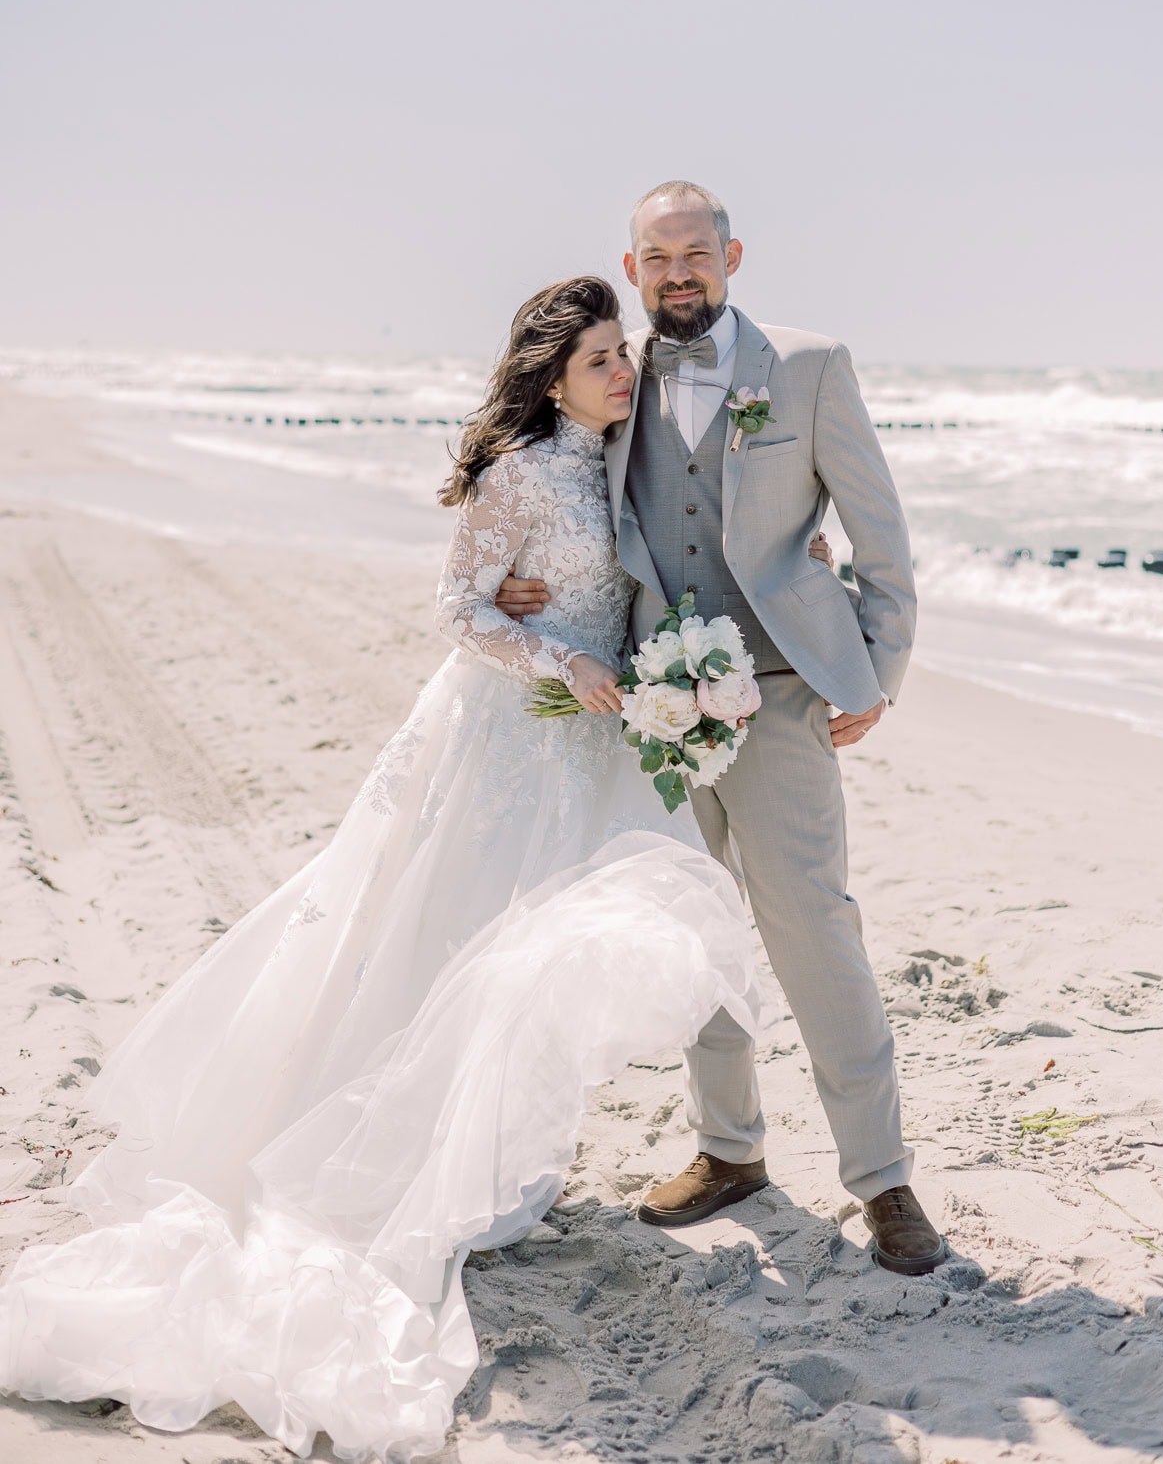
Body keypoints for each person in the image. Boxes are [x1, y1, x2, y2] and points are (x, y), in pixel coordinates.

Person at [0, 277, 829, 1464]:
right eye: (600, 358)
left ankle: (489, 1159)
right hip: (506, 740)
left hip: (589, 750)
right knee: (448, 943)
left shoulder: (620, 454)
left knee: (541, 959)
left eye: (620, 353)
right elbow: (458, 608)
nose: (622, 371)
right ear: (552, 381)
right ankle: (388, 1154)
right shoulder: (518, 474)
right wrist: (556, 652)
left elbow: (690, 532)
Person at [496, 182, 945, 1277]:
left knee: (816, 932)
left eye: (695, 252)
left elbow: (879, 532)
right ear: (632, 267)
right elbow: (552, 496)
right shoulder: (611, 378)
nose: (678, 273)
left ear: (732, 256)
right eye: (658, 258)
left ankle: (883, 1178)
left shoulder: (810, 365)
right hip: (655, 705)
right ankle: (729, 1149)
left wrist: (877, 668)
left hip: (785, 691)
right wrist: (521, 588)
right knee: (695, 929)